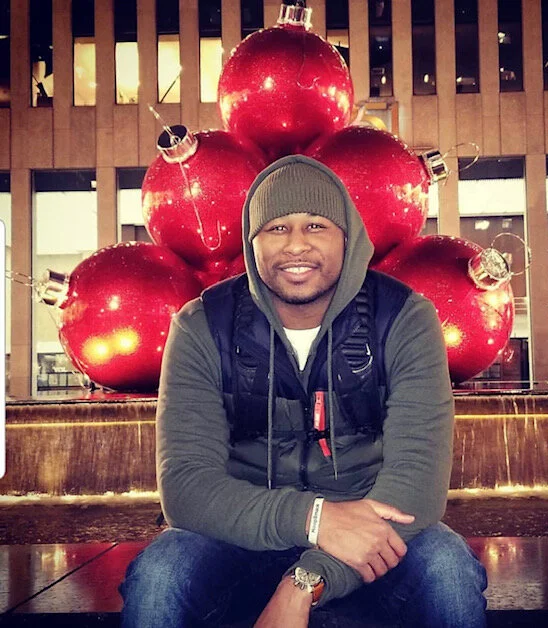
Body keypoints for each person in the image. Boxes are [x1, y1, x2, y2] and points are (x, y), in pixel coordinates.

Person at [120, 155, 487, 627]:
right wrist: (315, 520)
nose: (296, 245)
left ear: (347, 237)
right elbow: (187, 486)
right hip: (241, 533)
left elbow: (416, 481)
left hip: (372, 529)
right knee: (161, 573)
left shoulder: (403, 318)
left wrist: (309, 578)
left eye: (316, 225)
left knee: (448, 567)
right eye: (276, 228)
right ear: (252, 243)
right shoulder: (202, 324)